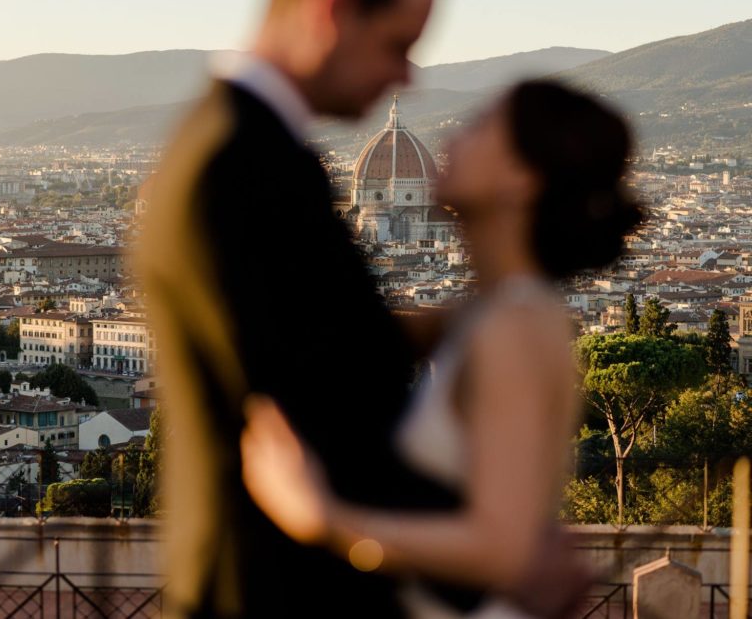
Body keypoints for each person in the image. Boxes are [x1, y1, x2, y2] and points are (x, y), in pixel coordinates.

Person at [135, 0, 482, 617]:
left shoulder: (231, 146)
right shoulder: (244, 167)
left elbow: (307, 345)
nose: (407, 76)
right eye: (397, 43)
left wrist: (438, 327)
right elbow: (325, 409)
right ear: (334, 7)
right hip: (274, 590)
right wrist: (491, 556)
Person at [240, 80, 643, 618]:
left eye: (482, 127)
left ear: (520, 181)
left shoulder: (514, 327)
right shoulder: (496, 313)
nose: (454, 136)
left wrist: (322, 519)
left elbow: (502, 548)